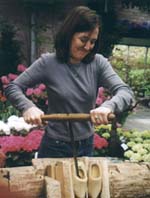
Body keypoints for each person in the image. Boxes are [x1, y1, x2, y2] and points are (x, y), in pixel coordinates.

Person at [5, 6, 134, 158]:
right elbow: (13, 87)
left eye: (93, 42)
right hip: (54, 146)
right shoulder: (48, 63)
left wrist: (108, 106)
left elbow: (126, 92)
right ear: (69, 35)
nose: (88, 47)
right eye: (83, 40)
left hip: (86, 145)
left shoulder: (98, 63)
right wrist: (27, 107)